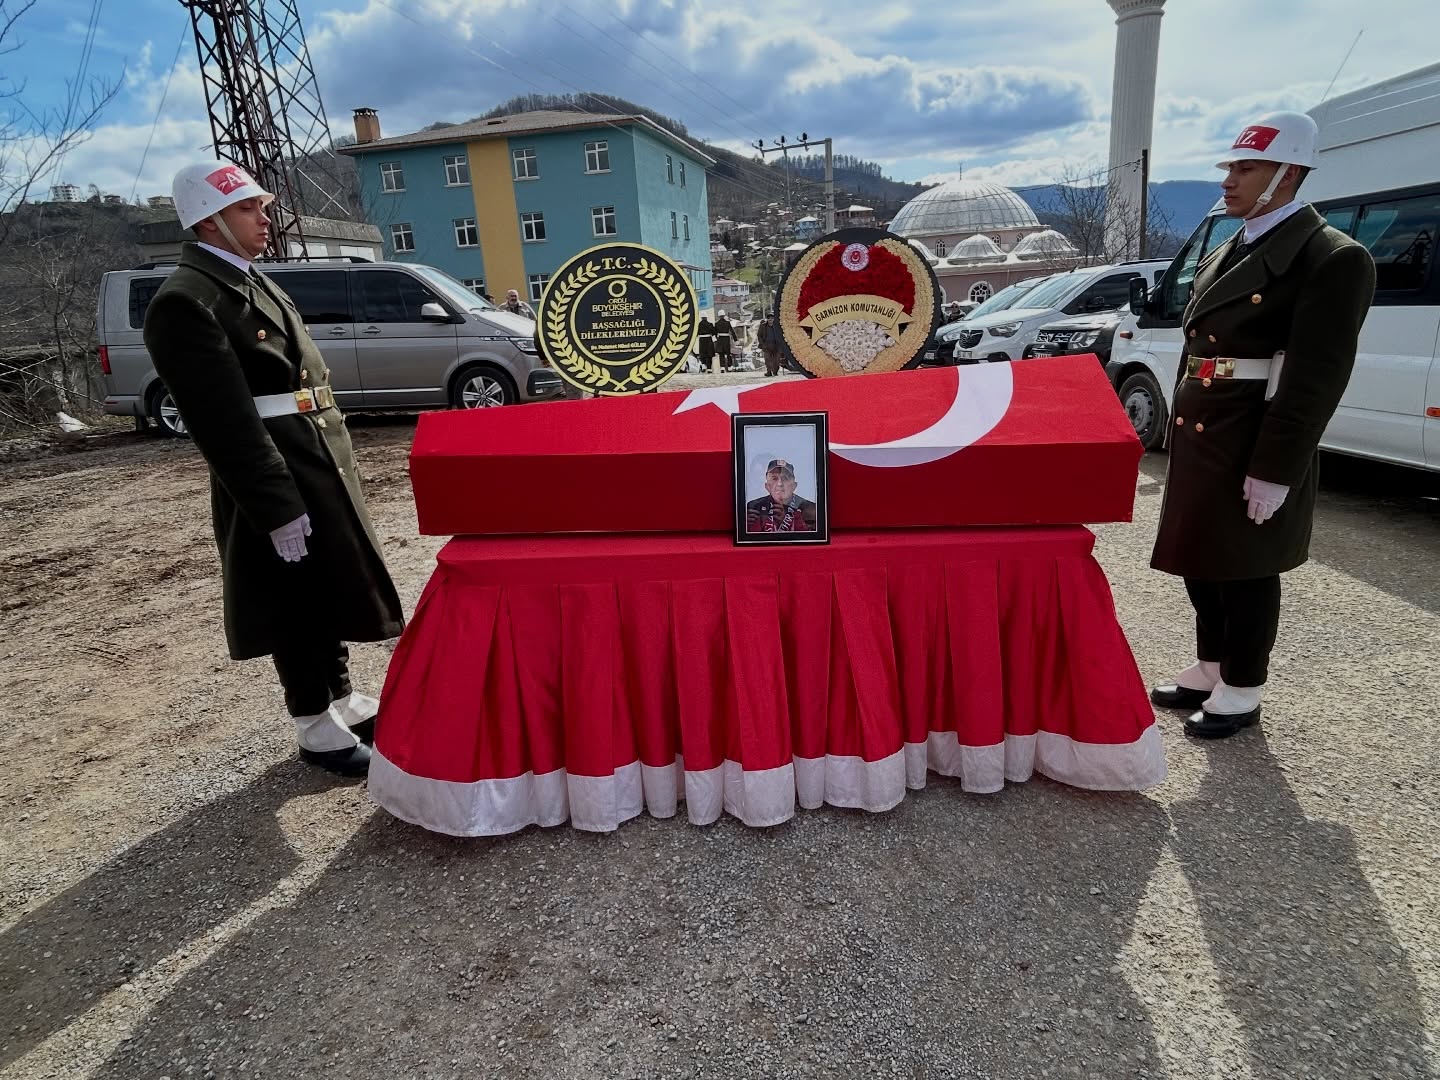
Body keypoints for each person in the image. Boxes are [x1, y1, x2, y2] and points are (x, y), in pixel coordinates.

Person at [143, 162, 406, 777]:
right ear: (209, 220)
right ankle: (312, 719)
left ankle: (341, 695)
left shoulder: (244, 278)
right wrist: (275, 504)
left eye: (262, 206)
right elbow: (222, 420)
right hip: (274, 467)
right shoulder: (187, 299)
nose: (265, 218)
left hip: (312, 454)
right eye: (247, 208)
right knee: (292, 596)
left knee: (327, 581)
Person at [1148, 112, 1376, 740]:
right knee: (1202, 554)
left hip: (1254, 431)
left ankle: (1243, 686)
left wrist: (1276, 468)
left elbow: (1315, 377)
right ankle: (1212, 665)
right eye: (1231, 167)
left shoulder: (1330, 257)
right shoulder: (1232, 246)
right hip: (1206, 426)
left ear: (1289, 174)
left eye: (1246, 168)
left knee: (1246, 564)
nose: (1229, 180)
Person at [745, 459, 818, 533]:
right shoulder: (754, 507)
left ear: (794, 486)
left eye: (785, 478)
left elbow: (812, 538)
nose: (780, 484)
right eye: (774, 478)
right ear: (767, 486)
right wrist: (746, 526)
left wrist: (788, 523)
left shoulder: (810, 509)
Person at [758, 311, 784, 377]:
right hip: (766, 345)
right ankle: (769, 371)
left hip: (776, 345)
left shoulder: (777, 325)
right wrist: (762, 343)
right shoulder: (763, 326)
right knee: (767, 359)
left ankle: (775, 371)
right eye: (769, 318)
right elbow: (759, 335)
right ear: (767, 319)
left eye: (772, 318)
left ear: (773, 319)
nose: (770, 320)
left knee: (777, 359)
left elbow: (782, 334)